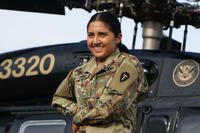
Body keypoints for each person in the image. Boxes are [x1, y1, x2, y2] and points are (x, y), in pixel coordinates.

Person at [52, 11, 148, 133]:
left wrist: (78, 119)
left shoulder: (129, 65)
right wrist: (77, 110)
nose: (96, 41)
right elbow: (58, 98)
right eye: (91, 35)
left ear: (118, 38)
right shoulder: (80, 72)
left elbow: (109, 108)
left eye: (102, 35)